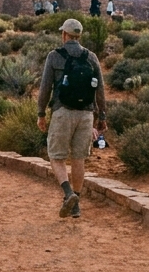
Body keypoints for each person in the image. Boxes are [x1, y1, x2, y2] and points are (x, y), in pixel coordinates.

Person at [37, 18, 108, 218]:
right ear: (79, 35)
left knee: (56, 157)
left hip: (62, 112)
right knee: (79, 159)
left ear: (64, 35)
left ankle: (68, 193)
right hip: (86, 115)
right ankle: (76, 204)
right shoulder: (91, 57)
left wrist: (41, 114)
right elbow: (100, 90)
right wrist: (101, 116)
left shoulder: (54, 56)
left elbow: (45, 88)